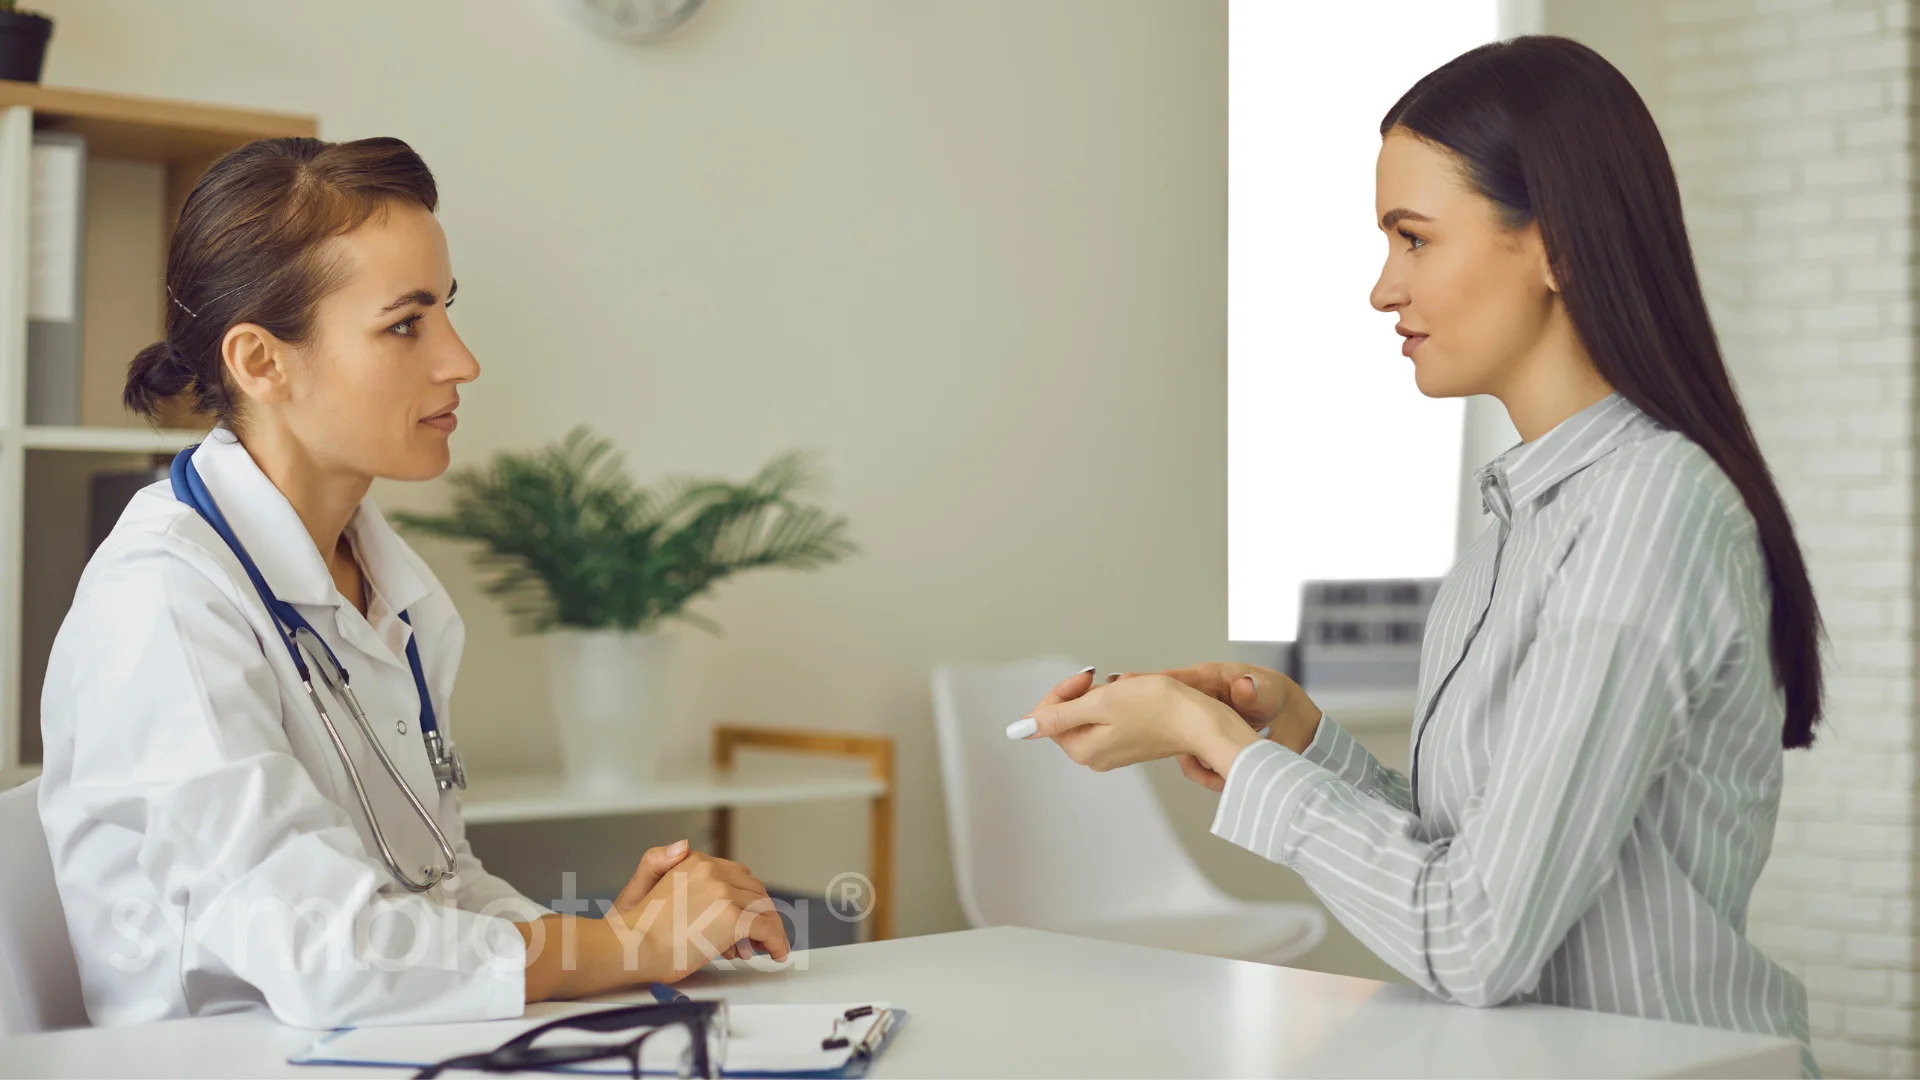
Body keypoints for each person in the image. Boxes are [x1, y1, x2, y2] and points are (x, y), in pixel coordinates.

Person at [1008, 36, 1822, 1076]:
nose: (1382, 289)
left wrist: (1211, 737)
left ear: (1555, 246)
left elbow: (1473, 941)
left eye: (1414, 239)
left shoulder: (1647, 513)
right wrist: (1296, 738)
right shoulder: (1517, 529)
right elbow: (1473, 861)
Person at [37, 136, 789, 1030]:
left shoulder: (387, 582)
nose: (460, 361)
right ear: (261, 362)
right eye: (406, 325)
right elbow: (328, 950)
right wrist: (613, 950)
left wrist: (615, 943)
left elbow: (433, 881)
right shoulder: (162, 601)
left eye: (447, 311)